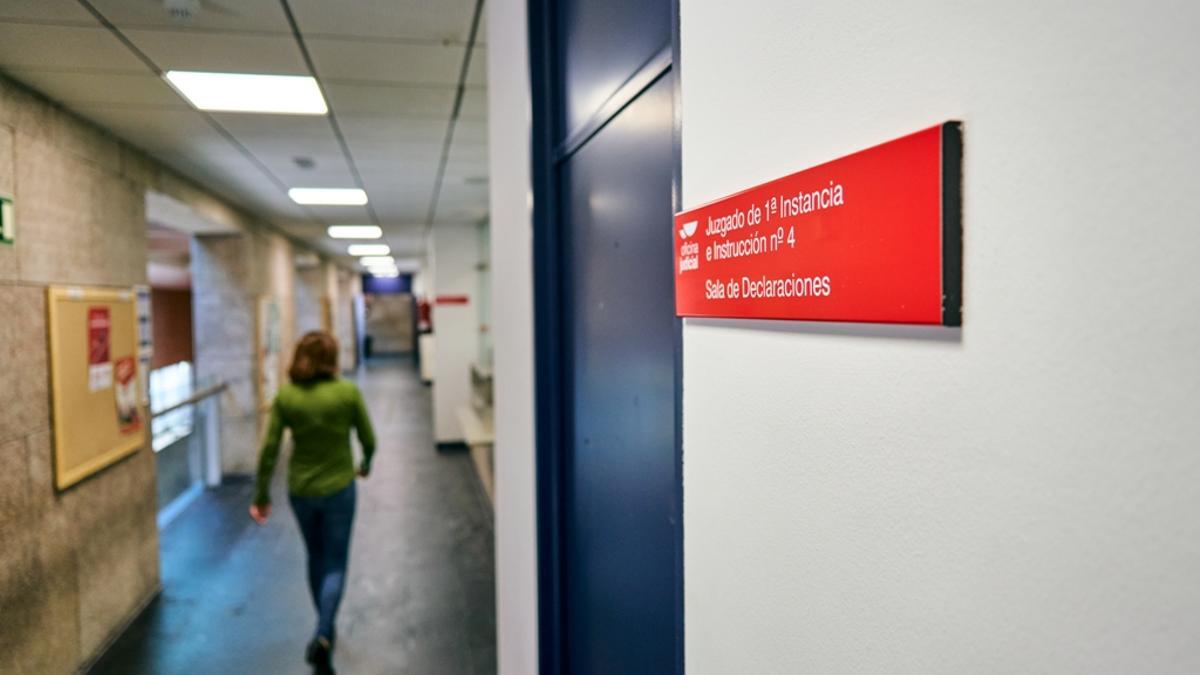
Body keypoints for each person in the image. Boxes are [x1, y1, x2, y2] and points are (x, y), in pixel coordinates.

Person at [250, 330, 376, 674]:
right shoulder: (347, 393)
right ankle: (323, 632)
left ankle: (324, 625)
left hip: (302, 492)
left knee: (316, 557)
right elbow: (369, 439)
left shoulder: (287, 396)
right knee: (336, 563)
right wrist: (365, 463)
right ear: (332, 359)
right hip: (339, 489)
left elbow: (269, 450)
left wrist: (261, 495)